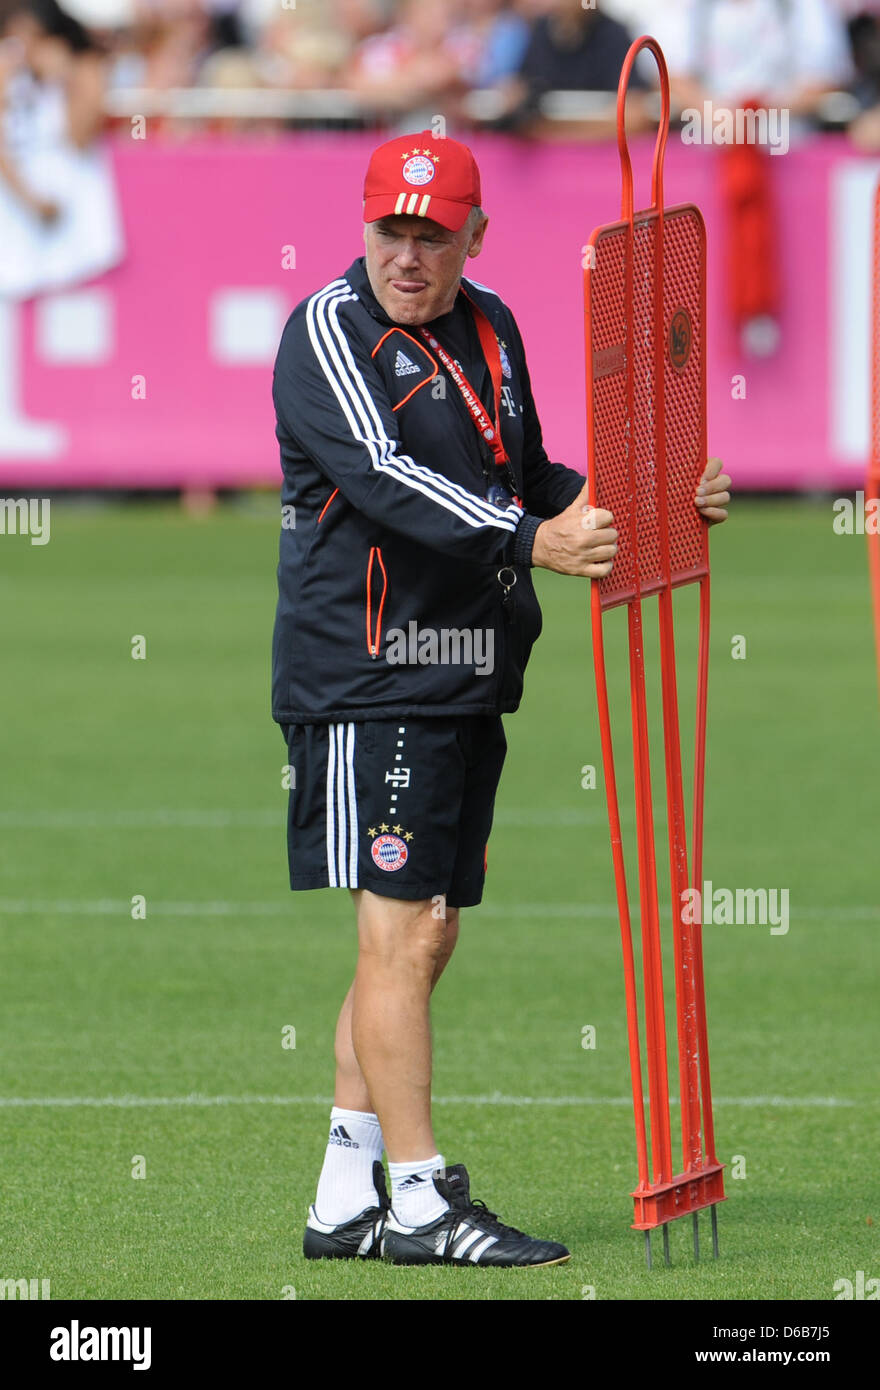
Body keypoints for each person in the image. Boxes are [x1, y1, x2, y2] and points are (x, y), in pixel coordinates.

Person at [271, 129, 731, 1268]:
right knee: (398, 932)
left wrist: (652, 495)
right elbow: (384, 477)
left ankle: (343, 1194)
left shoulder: (494, 327)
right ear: (363, 226)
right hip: (368, 671)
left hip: (469, 668)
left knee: (425, 936)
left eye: (433, 234)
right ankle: (419, 1200)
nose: (408, 256)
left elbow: (521, 475)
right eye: (390, 230)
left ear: (476, 236)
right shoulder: (326, 332)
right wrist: (536, 539)